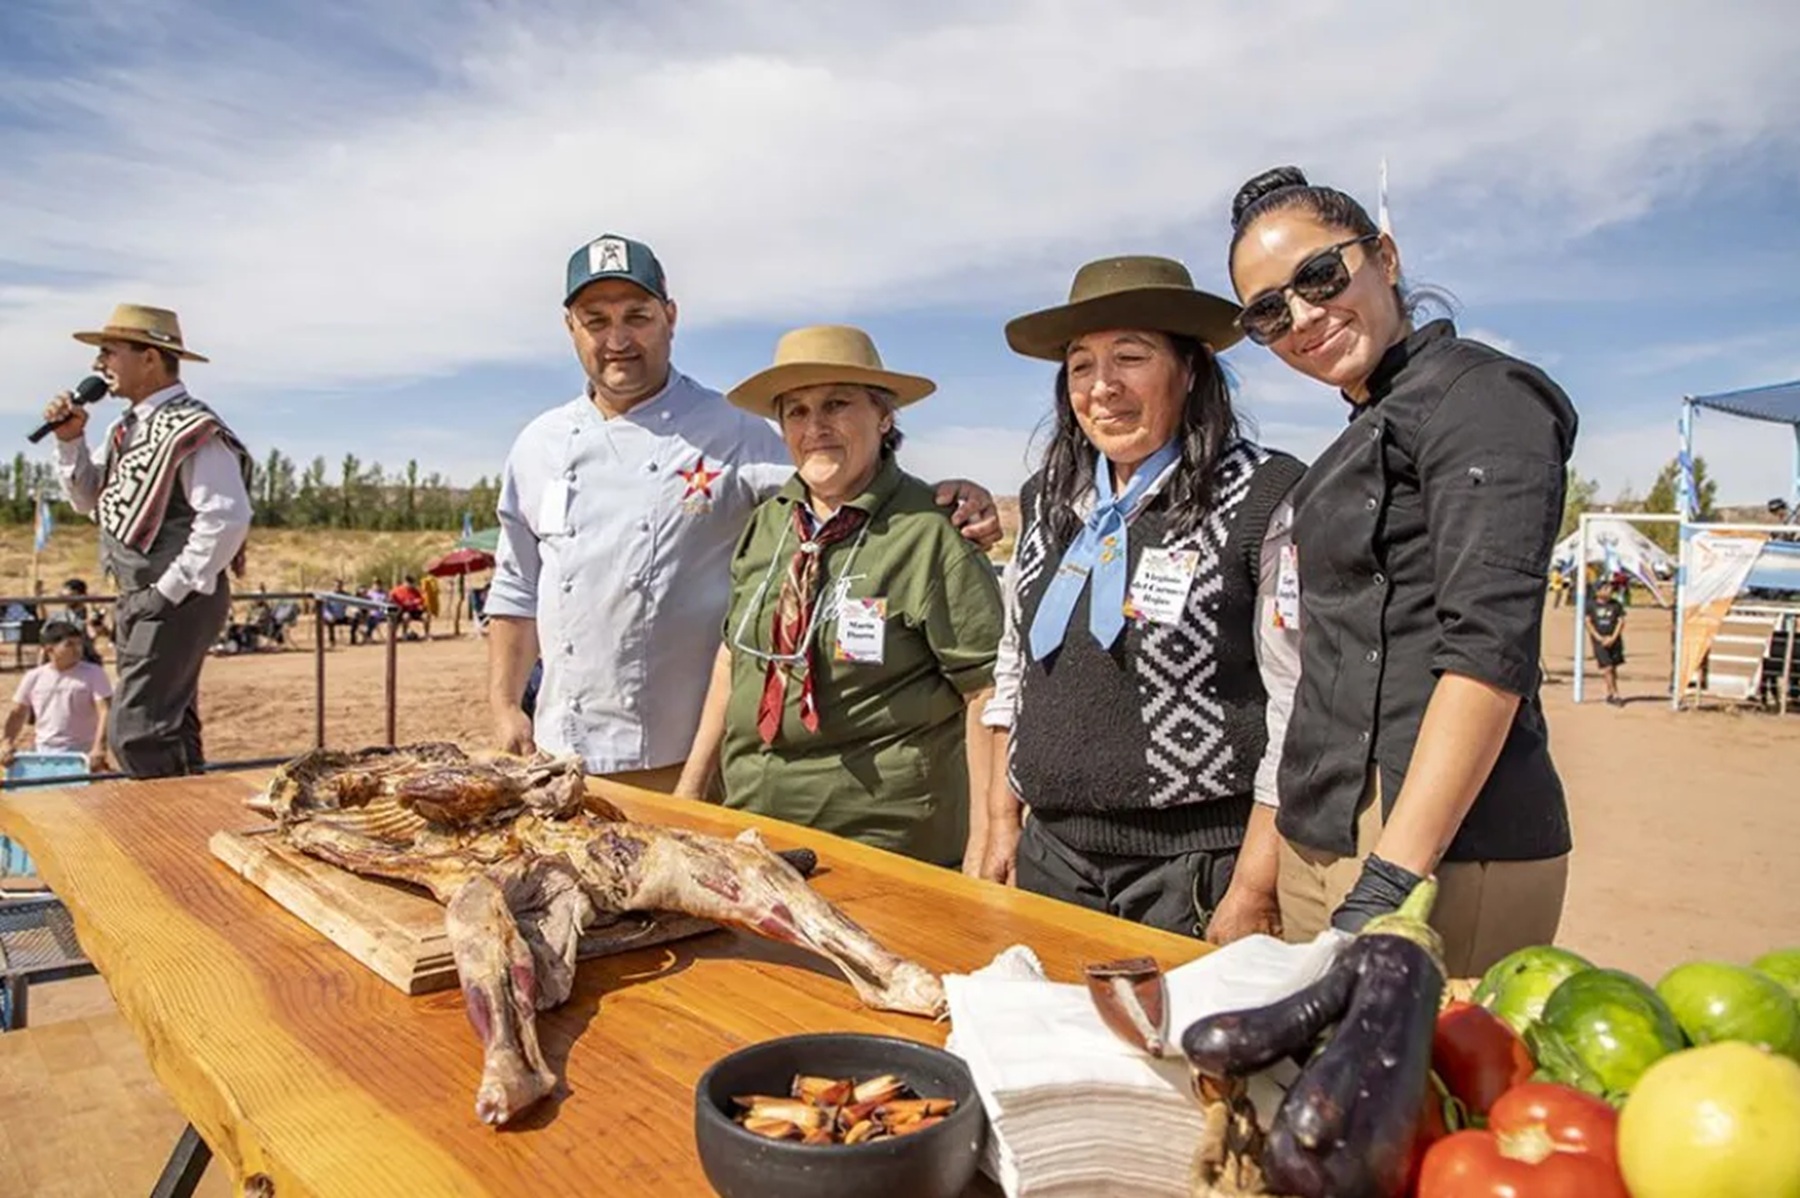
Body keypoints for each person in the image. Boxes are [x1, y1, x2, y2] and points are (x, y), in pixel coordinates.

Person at [487, 234, 1000, 791]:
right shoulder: (538, 445)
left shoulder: (731, 429)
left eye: (637, 316)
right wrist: (505, 703)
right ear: (570, 327)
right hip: (556, 746)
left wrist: (950, 498)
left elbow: (840, 468)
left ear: (670, 317)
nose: (618, 339)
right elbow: (517, 587)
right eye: (596, 320)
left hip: (682, 754)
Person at [1227, 166, 1576, 976]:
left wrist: (1391, 876)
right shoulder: (1364, 427)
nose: (1303, 317)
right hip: (1325, 841)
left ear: (1383, 255)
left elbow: (1489, 651)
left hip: (1436, 854)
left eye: (1319, 277)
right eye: (1269, 312)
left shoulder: (1483, 398)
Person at [975, 256, 1305, 941]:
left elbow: (1296, 702)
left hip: (1194, 869)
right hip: (1053, 858)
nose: (1104, 388)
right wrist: (1001, 820)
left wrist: (1253, 884)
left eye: (1131, 357)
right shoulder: (1049, 500)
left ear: (1190, 371)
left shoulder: (1263, 496)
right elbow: (1016, 668)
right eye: (1080, 366)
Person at [675, 326, 1003, 865]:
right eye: (796, 411)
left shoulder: (931, 531)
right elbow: (734, 659)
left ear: (884, 415)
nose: (815, 427)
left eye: (836, 404)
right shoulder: (768, 525)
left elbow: (986, 692)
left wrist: (984, 844)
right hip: (754, 827)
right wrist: (690, 792)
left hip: (885, 843)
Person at [42, 303, 252, 778]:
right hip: (144, 592)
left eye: (109, 353)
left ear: (151, 357)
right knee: (170, 724)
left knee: (135, 732)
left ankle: (162, 833)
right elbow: (87, 499)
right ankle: (189, 831)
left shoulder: (190, 428)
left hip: (176, 593)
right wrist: (70, 442)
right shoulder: (125, 429)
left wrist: (167, 591)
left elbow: (225, 516)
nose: (99, 366)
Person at [3, 620, 112, 774]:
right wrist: (7, 741)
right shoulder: (34, 677)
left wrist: (99, 747)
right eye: (69, 645)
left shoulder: (93, 674)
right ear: (50, 649)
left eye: (79, 644)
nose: (77, 649)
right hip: (44, 753)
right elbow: (18, 712)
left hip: (83, 753)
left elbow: (105, 710)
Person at [1587, 580, 1627, 706]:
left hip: (1615, 641)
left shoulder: (1616, 605)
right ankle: (1615, 694)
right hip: (1600, 643)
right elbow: (1588, 623)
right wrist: (1599, 638)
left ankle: (1610, 692)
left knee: (1613, 668)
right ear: (1598, 592)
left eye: (1610, 588)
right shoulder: (1591, 605)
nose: (1609, 590)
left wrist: (1613, 638)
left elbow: (1621, 621)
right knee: (1607, 667)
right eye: (1605, 588)